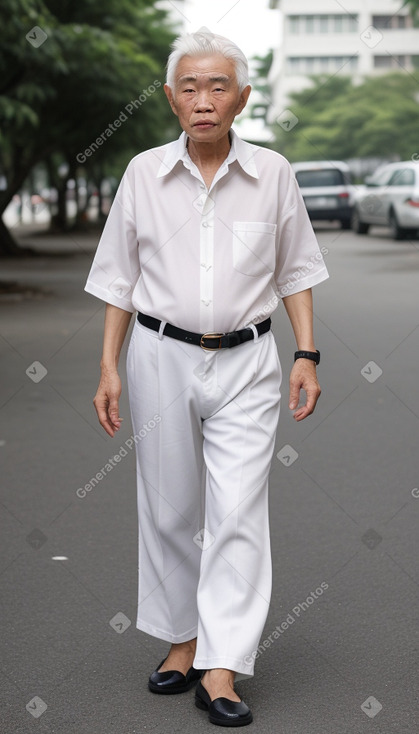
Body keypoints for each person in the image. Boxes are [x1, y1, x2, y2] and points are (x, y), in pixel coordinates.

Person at [85, 29, 329, 728]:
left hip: (249, 360)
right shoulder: (141, 174)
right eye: (188, 87)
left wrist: (306, 354)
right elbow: (118, 279)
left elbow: (296, 272)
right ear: (168, 98)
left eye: (217, 86)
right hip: (158, 354)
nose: (202, 100)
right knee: (167, 505)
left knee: (238, 510)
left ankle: (221, 665)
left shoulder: (273, 173)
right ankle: (181, 639)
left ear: (242, 98)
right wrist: (108, 364)